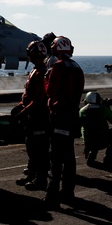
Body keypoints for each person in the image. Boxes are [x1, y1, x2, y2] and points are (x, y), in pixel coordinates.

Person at [44, 36, 84, 207]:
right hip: (72, 116)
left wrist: (46, 78)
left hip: (59, 116)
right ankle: (68, 192)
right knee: (69, 158)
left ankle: (52, 197)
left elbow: (50, 90)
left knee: (55, 158)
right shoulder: (76, 66)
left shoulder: (58, 66)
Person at [11, 40, 50, 190]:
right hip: (32, 115)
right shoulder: (36, 70)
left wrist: (23, 111)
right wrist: (20, 106)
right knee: (31, 147)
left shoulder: (41, 73)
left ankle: (40, 180)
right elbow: (28, 95)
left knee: (39, 149)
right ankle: (32, 175)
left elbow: (39, 99)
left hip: (38, 117)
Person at [80, 91, 112, 166]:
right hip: (102, 141)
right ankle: (109, 157)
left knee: (91, 131)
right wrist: (108, 108)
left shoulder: (82, 110)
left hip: (88, 142)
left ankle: (91, 154)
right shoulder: (103, 109)